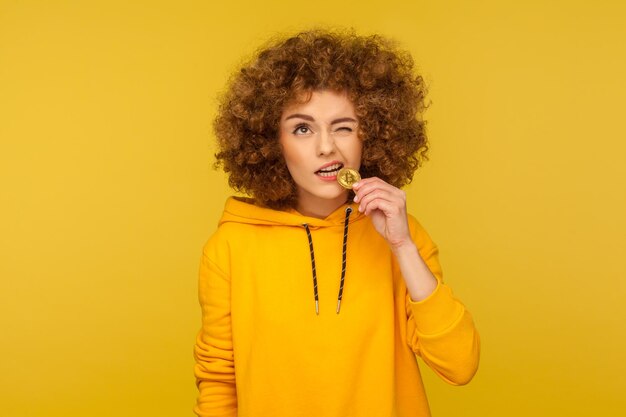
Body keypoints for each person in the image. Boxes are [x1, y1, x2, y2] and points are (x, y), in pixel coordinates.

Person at [193, 29, 480, 417]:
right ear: (271, 142)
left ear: (372, 135)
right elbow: (218, 381)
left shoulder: (402, 235)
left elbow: (460, 365)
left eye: (343, 126)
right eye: (302, 128)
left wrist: (402, 247)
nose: (327, 146)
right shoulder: (230, 247)